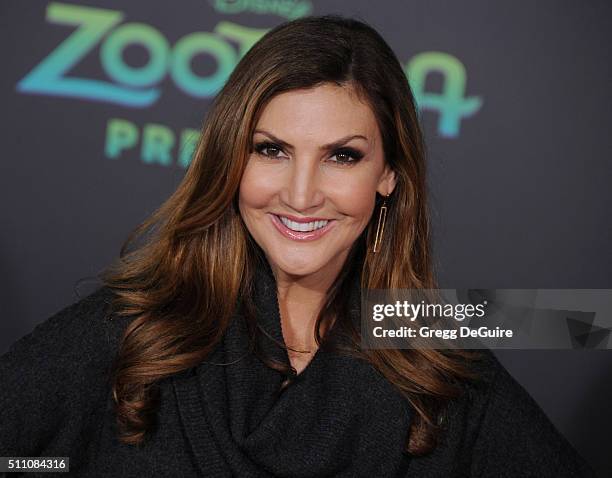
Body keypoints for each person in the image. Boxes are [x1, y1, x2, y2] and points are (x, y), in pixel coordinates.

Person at [0, 14, 595, 477]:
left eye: (342, 156)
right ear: (231, 161)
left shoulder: (436, 339)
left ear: (389, 174)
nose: (302, 194)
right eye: (271, 150)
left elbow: (578, 322)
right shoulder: (136, 330)